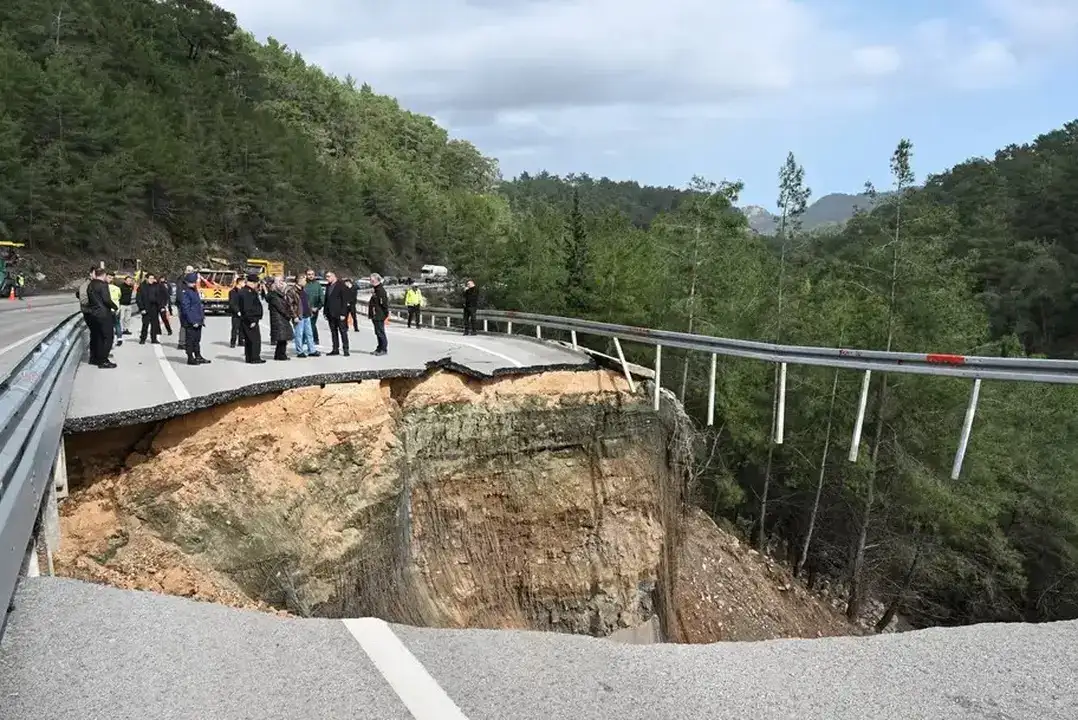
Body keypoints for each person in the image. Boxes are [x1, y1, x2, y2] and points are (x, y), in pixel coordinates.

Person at [86, 268, 117, 368]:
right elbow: (106, 300)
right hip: (103, 314)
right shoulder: (103, 285)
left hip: (93, 314)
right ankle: (103, 360)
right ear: (103, 275)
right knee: (108, 337)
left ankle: (94, 358)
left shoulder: (90, 285)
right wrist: (114, 306)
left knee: (97, 337)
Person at [178, 273, 209, 365]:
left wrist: (201, 318)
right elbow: (186, 308)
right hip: (191, 321)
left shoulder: (194, 291)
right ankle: (190, 358)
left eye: (194, 282)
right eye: (192, 282)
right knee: (190, 340)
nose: (194, 284)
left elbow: (198, 306)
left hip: (198, 320)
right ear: (187, 282)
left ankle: (198, 356)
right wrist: (192, 321)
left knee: (197, 340)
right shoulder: (186, 292)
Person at [237, 272, 265, 363]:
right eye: (256, 283)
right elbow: (247, 308)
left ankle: (249, 357)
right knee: (254, 340)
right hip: (250, 319)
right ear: (253, 282)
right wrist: (252, 320)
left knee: (249, 340)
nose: (257, 285)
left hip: (249, 319)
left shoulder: (246, 291)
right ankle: (254, 357)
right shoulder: (247, 292)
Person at [289, 275, 319, 358]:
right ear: (299, 280)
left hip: (306, 315)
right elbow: (290, 305)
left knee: (309, 334)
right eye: (304, 280)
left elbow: (306, 302)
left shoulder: (303, 290)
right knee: (299, 334)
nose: (306, 282)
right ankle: (300, 351)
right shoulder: (292, 291)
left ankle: (311, 350)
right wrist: (294, 316)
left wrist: (310, 311)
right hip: (299, 316)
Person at [266, 277, 294, 361]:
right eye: (280, 282)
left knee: (282, 339)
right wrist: (288, 315)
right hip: (279, 319)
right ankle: (281, 355)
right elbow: (281, 308)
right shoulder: (274, 296)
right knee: (282, 338)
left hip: (280, 319)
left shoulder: (278, 294)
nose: (282, 284)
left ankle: (279, 354)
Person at [323, 271, 350, 356]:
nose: (327, 278)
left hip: (339, 313)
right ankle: (335, 349)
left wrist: (343, 314)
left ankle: (346, 349)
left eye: (328, 276)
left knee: (343, 331)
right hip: (330, 313)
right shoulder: (328, 286)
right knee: (333, 332)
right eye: (326, 277)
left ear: (334, 276)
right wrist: (325, 312)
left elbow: (344, 301)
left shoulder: (341, 285)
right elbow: (326, 300)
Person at [136, 273, 166, 344]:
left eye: (153, 278)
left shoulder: (156, 286)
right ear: (146, 279)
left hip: (154, 307)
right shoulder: (142, 287)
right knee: (145, 324)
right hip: (146, 307)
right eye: (150, 278)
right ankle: (143, 338)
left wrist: (161, 306)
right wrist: (141, 308)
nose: (151, 280)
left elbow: (160, 297)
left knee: (154, 324)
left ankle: (153, 339)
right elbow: (139, 298)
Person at [367, 273, 389, 355]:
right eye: (370, 280)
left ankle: (383, 349)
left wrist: (385, 314)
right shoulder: (375, 289)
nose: (371, 281)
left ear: (377, 280)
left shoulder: (380, 290)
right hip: (375, 315)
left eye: (372, 280)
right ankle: (379, 348)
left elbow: (384, 303)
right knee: (377, 332)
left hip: (379, 315)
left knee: (380, 332)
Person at [175, 265, 194, 350]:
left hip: (190, 305)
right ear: (185, 271)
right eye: (189, 271)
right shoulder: (181, 281)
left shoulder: (190, 281)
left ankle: (187, 341)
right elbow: (180, 295)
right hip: (183, 306)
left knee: (189, 324)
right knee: (184, 324)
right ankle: (182, 342)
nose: (190, 273)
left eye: (192, 271)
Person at [303, 269, 324, 345]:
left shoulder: (317, 285)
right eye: (309, 274)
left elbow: (322, 298)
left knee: (312, 324)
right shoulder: (304, 284)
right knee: (304, 325)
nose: (311, 276)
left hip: (314, 309)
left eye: (312, 274)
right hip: (304, 309)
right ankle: (306, 339)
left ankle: (315, 339)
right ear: (306, 275)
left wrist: (318, 307)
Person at [106, 272, 123, 346]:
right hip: (117, 307)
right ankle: (119, 338)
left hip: (109, 308)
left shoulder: (105, 288)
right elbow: (119, 297)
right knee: (117, 324)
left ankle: (110, 340)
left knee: (109, 325)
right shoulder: (117, 288)